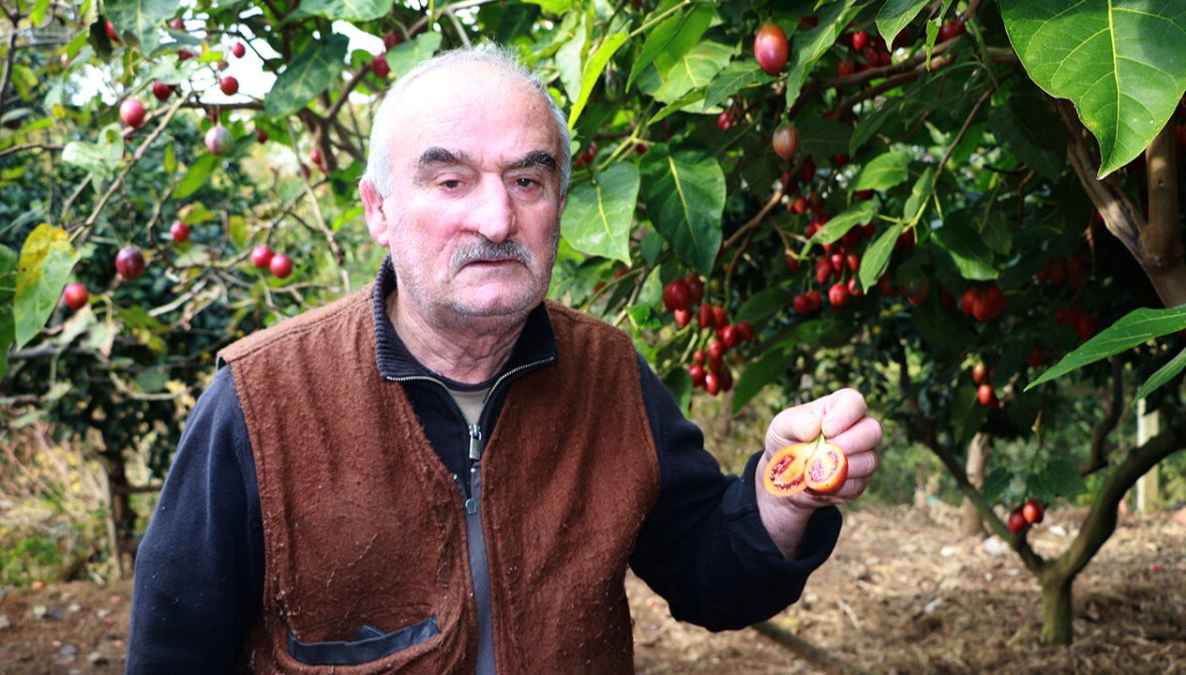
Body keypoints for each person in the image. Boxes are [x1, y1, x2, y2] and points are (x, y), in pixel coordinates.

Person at [126, 43, 882, 674]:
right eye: (451, 181)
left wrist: (780, 503)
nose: (496, 217)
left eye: (527, 180)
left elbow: (709, 575)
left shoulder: (607, 373)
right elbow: (173, 652)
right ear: (378, 209)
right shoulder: (262, 401)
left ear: (560, 201)